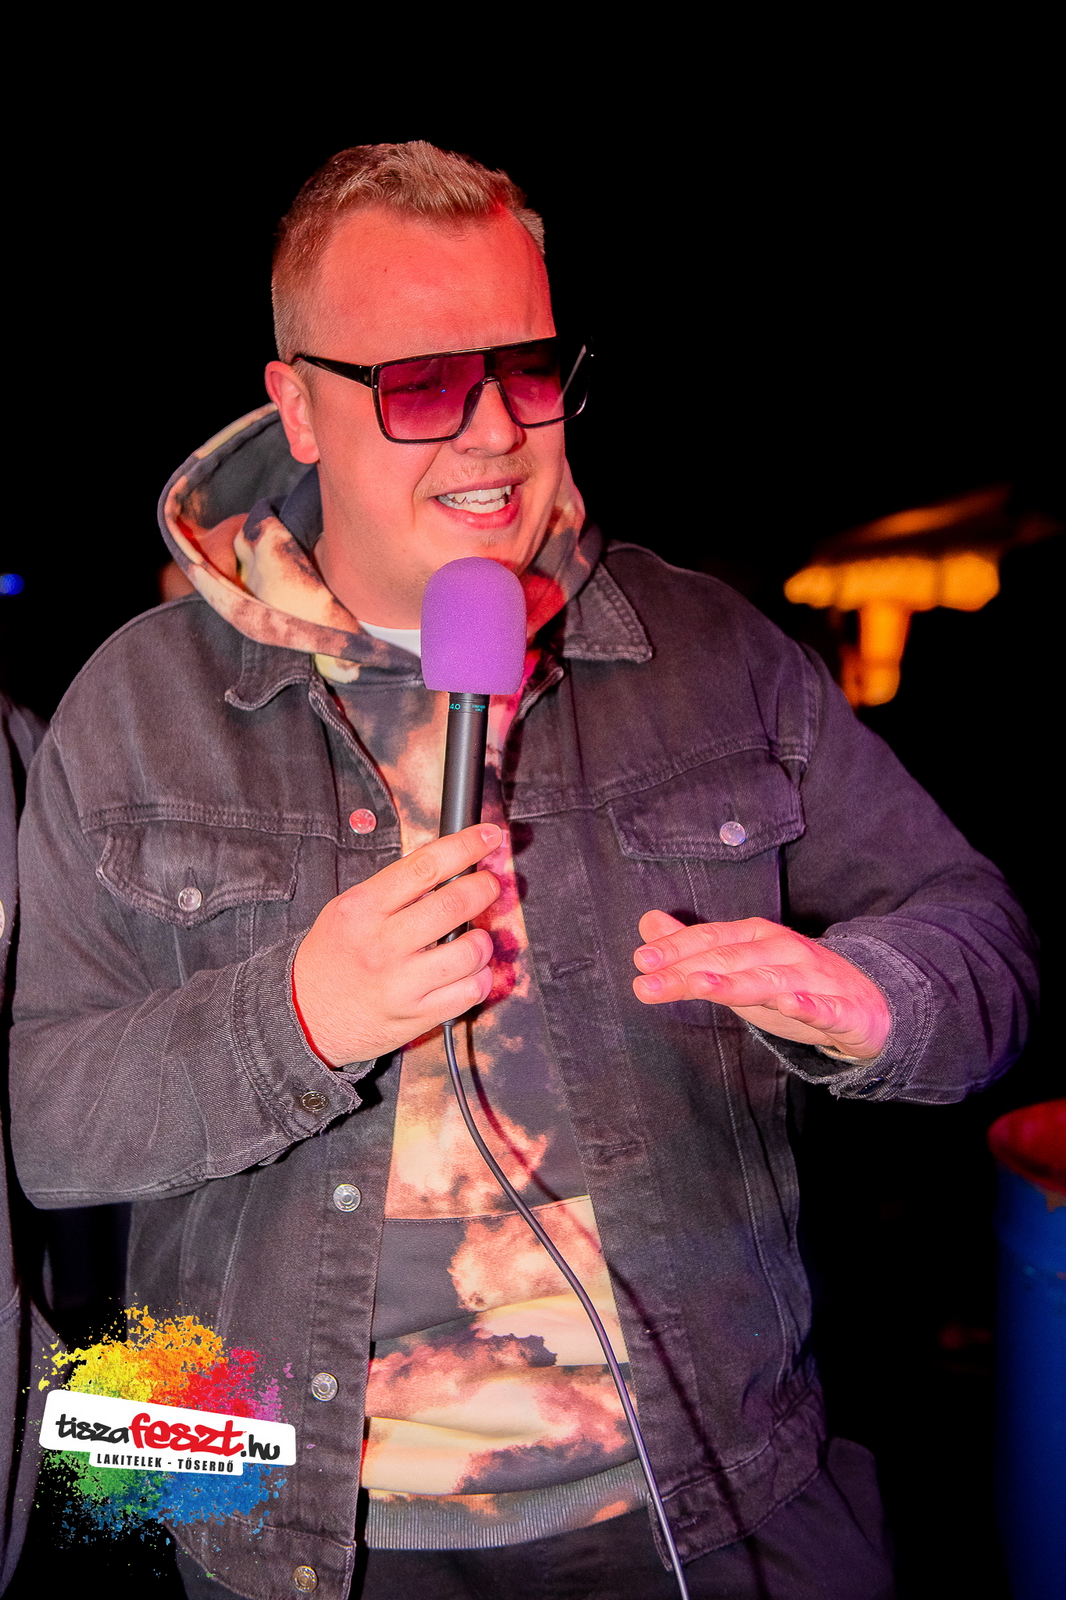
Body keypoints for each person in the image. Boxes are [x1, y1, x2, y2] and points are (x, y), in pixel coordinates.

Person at [9, 144, 1036, 1600]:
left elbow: (983, 945)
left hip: (715, 1504)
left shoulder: (711, 654)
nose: (495, 433)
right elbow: (46, 1129)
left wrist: (872, 1001)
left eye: (530, 370)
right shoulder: (136, 706)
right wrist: (292, 1021)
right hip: (286, 1532)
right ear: (296, 407)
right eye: (424, 384)